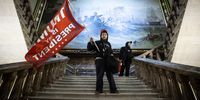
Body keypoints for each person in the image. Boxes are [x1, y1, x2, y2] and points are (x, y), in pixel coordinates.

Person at [87, 29, 118, 94]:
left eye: (105, 34)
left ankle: (113, 89)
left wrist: (112, 58)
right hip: (100, 60)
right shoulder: (97, 43)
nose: (104, 35)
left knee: (110, 75)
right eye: (102, 34)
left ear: (107, 36)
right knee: (99, 75)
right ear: (101, 36)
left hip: (108, 61)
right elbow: (89, 49)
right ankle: (98, 90)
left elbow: (111, 52)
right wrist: (90, 42)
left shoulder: (109, 44)